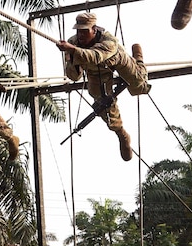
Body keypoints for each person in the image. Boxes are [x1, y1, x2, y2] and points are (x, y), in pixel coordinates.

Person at [57, 12, 149, 161]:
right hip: (95, 71)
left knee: (139, 85)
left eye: (85, 31)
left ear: (94, 29)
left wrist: (73, 50)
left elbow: (95, 57)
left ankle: (138, 57)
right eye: (78, 31)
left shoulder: (109, 41)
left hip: (116, 61)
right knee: (102, 104)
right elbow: (73, 76)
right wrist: (71, 57)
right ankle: (121, 134)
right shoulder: (72, 43)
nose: (80, 35)